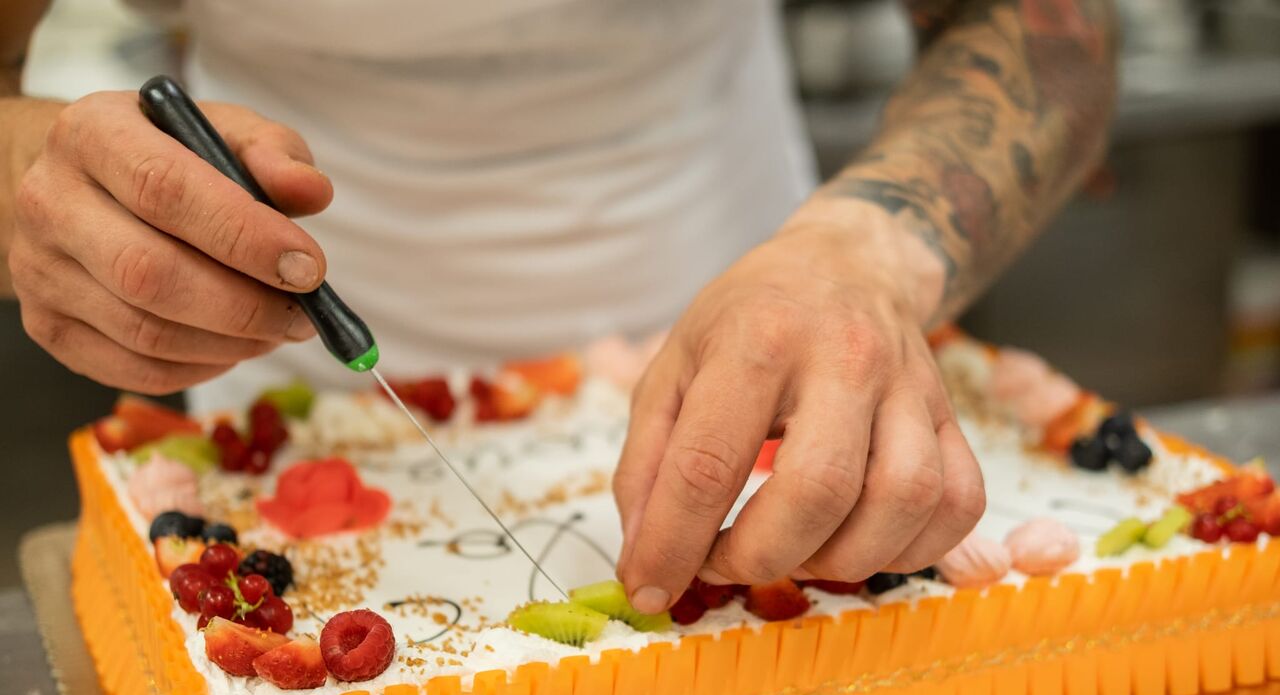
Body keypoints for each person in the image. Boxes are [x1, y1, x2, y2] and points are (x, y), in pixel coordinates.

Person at [0, 1, 1117, 615]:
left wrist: (869, 250)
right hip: (276, 398)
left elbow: (1044, 27)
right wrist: (25, 182)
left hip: (775, 335)